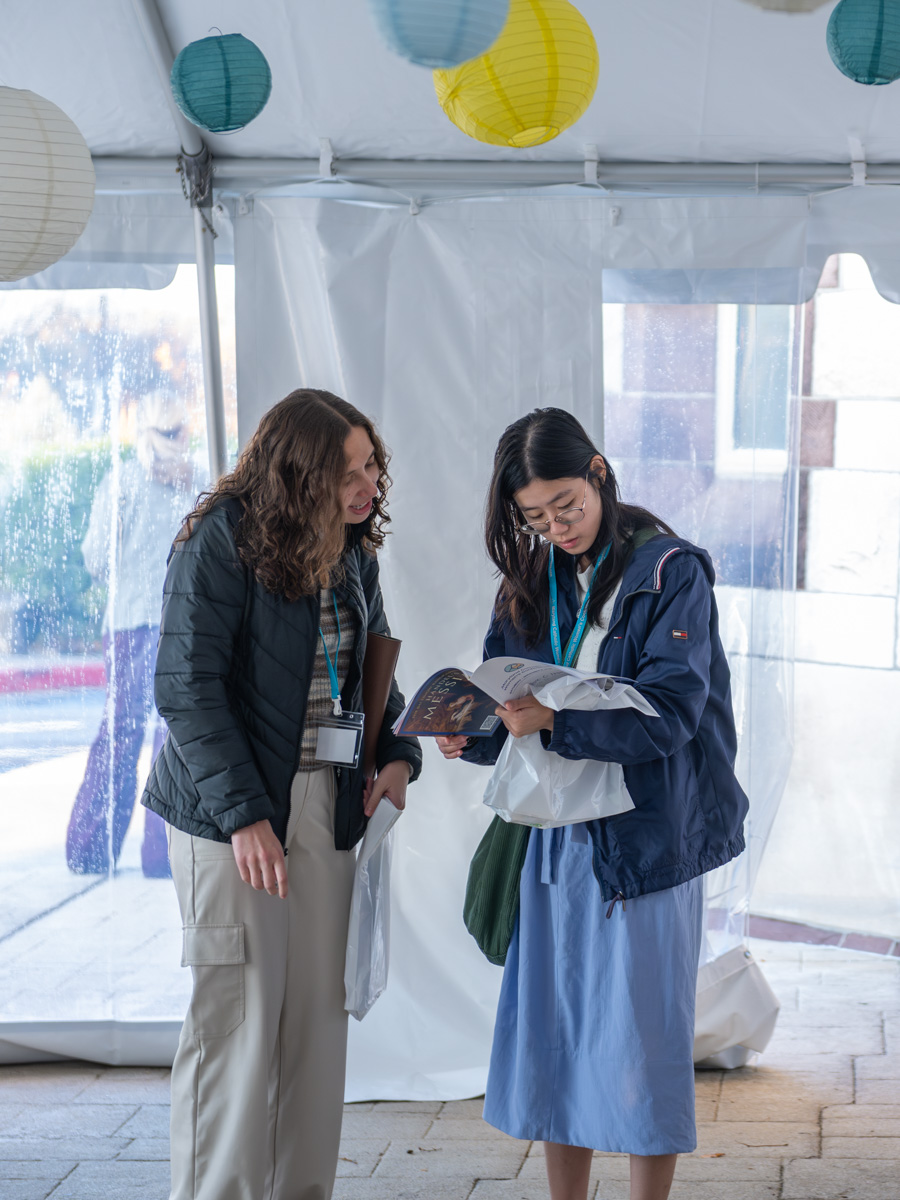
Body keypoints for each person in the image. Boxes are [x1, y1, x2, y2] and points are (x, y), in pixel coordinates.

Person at [437, 408, 748, 1200]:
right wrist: (472, 734)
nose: (557, 527)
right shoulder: (530, 582)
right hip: (553, 842)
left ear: (599, 472)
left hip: (644, 841)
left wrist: (555, 720)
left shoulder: (670, 571)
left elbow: (672, 714)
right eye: (536, 518)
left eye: (567, 505)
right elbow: (507, 699)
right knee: (555, 1036)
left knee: (645, 1042)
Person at [141, 388, 421, 1200]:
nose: (368, 485)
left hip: (326, 806)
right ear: (298, 472)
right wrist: (245, 818)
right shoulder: (219, 538)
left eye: (371, 466)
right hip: (229, 816)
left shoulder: (353, 549)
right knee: (237, 1022)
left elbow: (370, 681)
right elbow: (185, 688)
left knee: (315, 1027)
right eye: (347, 473)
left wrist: (397, 756)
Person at [66, 391, 198, 878]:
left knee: (118, 735)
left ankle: (90, 850)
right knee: (174, 737)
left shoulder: (121, 481)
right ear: (182, 431)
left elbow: (95, 559)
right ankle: (163, 855)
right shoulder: (199, 480)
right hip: (182, 625)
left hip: (127, 625)